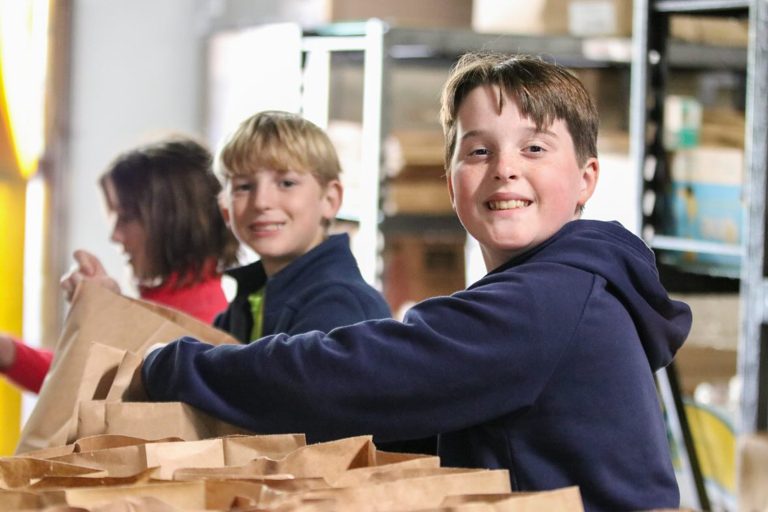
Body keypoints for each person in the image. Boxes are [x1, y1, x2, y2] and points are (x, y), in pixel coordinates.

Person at [141, 53, 692, 512]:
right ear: (451, 183)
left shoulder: (548, 300)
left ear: (586, 180)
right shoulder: (553, 288)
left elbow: (349, 376)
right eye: (478, 150)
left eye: (534, 148)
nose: (504, 167)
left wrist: (173, 365)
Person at [0, 136, 240, 393]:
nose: (114, 235)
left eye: (125, 218)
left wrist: (108, 316)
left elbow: (88, 391)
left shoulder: (196, 327)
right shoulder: (176, 309)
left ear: (172, 222)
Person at [208, 110, 391, 343]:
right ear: (226, 209)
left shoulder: (341, 306)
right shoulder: (251, 299)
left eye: (286, 183)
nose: (261, 202)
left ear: (330, 200)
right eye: (244, 187)